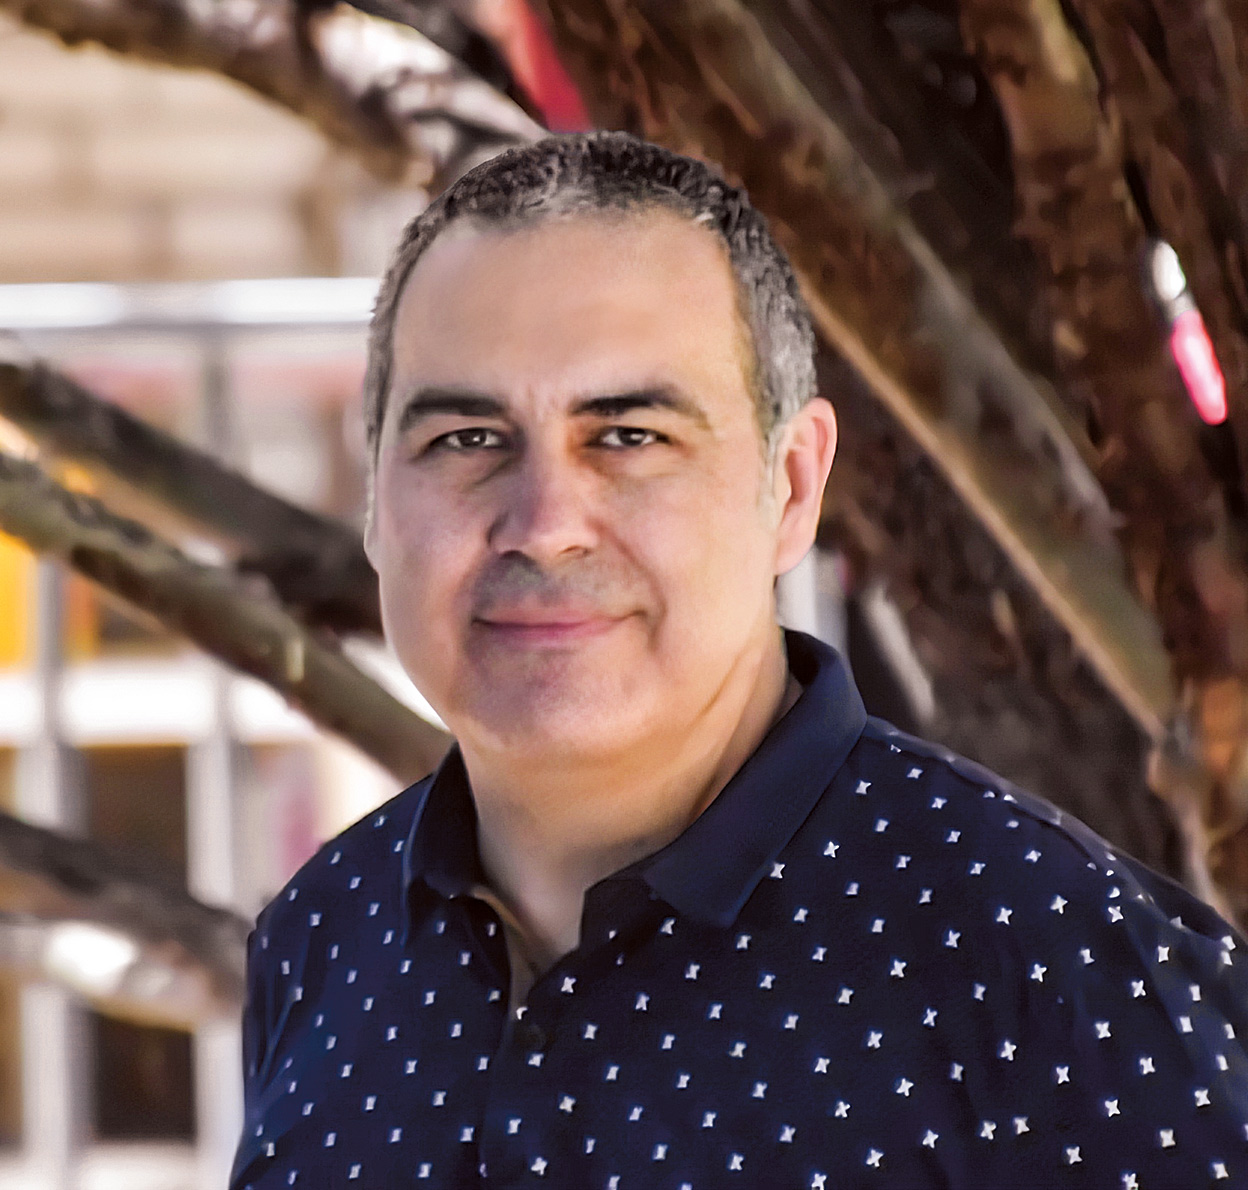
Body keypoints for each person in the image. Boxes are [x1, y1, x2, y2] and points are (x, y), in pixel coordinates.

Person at [231, 132, 1248, 1189]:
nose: (544, 524)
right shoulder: (319, 939)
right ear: (375, 498)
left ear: (793, 485)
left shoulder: (1053, 960)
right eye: (467, 440)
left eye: (629, 436)